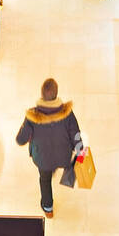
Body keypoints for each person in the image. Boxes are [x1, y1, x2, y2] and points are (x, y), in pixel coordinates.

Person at [15, 78, 83, 217]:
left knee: (44, 180)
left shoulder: (33, 116)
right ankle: (55, 169)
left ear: (42, 95)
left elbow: (20, 140)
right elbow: (75, 134)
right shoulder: (67, 113)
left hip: (43, 159)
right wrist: (80, 152)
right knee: (54, 164)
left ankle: (48, 208)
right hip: (63, 157)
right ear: (56, 95)